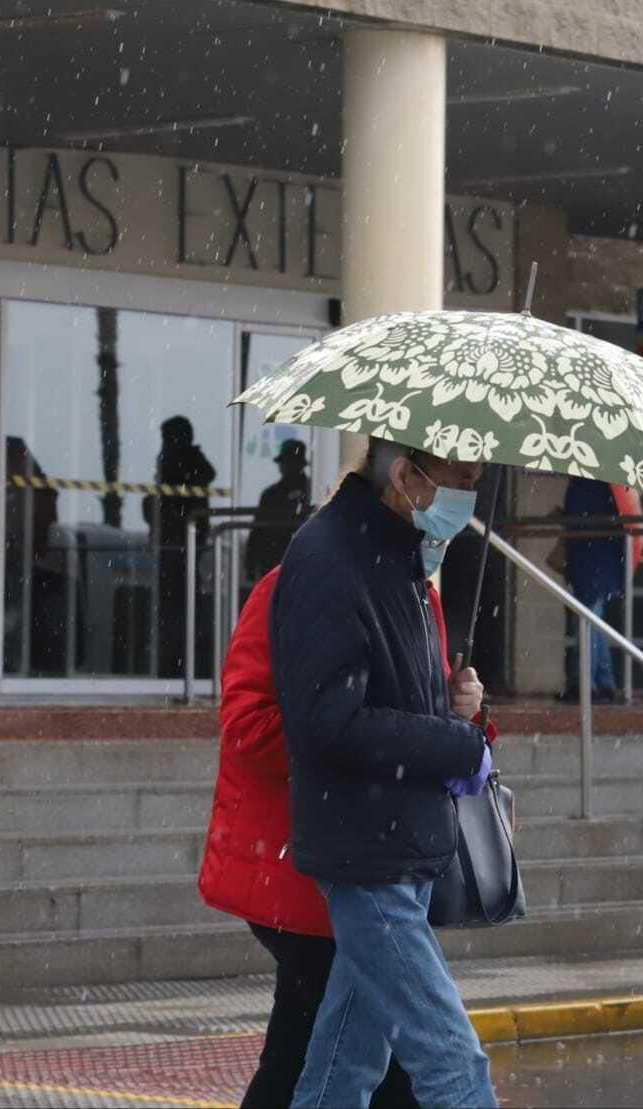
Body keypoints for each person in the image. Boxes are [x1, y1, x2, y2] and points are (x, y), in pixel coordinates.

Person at [271, 439, 497, 1109]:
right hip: (369, 852)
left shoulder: (400, 555)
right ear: (406, 475)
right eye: (462, 479)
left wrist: (453, 705)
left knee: (344, 1068)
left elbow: (389, 697)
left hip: (399, 844)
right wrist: (455, 745)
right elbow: (330, 722)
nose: (469, 497)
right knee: (454, 1063)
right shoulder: (331, 558)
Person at [198, 564, 418, 1109]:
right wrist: (361, 743)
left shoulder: (414, 593)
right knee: (399, 1063)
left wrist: (463, 715)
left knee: (300, 1053)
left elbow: (424, 721)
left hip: (377, 870)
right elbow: (248, 724)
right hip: (304, 870)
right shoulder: (295, 586)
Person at [146, 416, 217, 678]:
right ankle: (174, 662)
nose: (164, 444)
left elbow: (180, 499)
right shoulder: (173, 462)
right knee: (172, 605)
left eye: (167, 438)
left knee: (179, 605)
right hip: (173, 542)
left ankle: (180, 663)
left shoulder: (189, 463)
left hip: (182, 543)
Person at [558, 476, 627, 702]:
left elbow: (578, 519)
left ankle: (586, 683)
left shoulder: (582, 486)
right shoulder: (608, 488)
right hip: (601, 561)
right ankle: (603, 681)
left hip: (588, 562)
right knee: (595, 621)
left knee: (588, 622)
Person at [244, 438, 312, 583]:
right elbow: (258, 530)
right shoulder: (271, 494)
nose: (286, 466)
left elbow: (257, 530)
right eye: (285, 462)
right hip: (277, 556)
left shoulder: (311, 491)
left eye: (289, 462)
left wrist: (251, 563)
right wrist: (250, 562)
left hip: (290, 556)